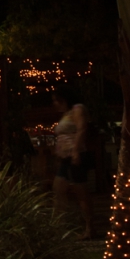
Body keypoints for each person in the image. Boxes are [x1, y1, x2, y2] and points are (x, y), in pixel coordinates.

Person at [52, 85, 94, 240]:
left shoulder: (77, 109)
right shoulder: (66, 114)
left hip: (75, 156)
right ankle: (60, 227)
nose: (56, 104)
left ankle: (89, 228)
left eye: (58, 100)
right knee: (58, 189)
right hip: (65, 158)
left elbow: (81, 129)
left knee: (81, 192)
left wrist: (75, 151)